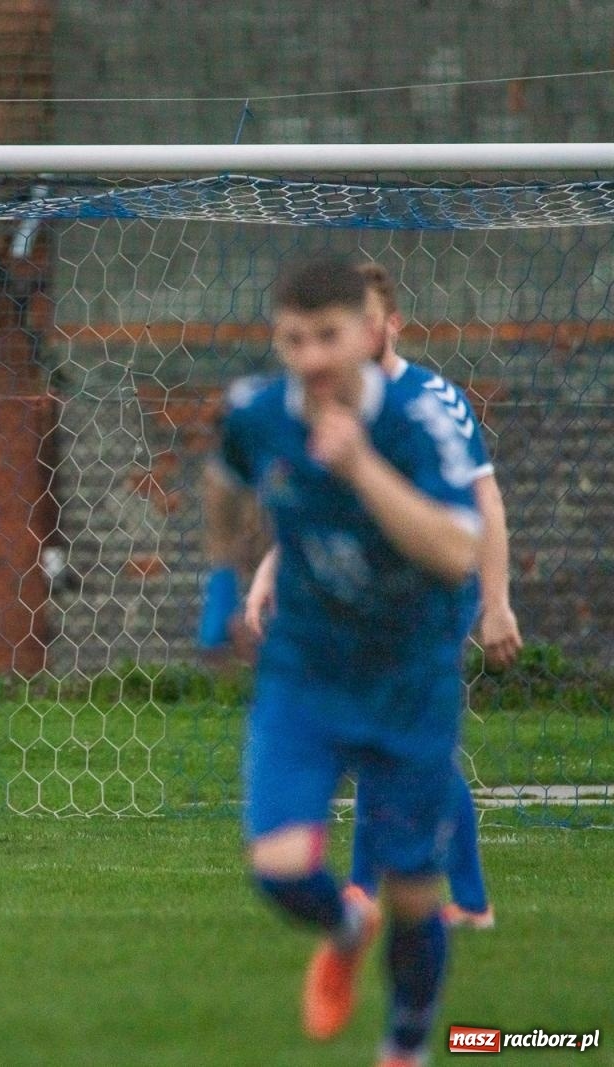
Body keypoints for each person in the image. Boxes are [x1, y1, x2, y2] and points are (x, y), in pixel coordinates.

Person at [216, 255, 481, 1067]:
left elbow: (457, 551)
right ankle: (343, 924)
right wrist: (222, 598)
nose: (312, 357)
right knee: (279, 867)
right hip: (305, 674)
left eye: (329, 336)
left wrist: (359, 464)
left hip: (409, 684)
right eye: (294, 339)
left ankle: (405, 1045)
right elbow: (226, 486)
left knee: (414, 894)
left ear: (369, 332)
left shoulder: (417, 422)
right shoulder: (256, 415)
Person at [243, 261, 523, 930]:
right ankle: (378, 896)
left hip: (426, 594)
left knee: (399, 743)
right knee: (378, 741)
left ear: (382, 327)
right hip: (351, 606)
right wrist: (266, 572)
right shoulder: (320, 405)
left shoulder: (429, 403)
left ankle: (444, 897)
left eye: (348, 327)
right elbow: (324, 510)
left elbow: (483, 500)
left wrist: (498, 599)